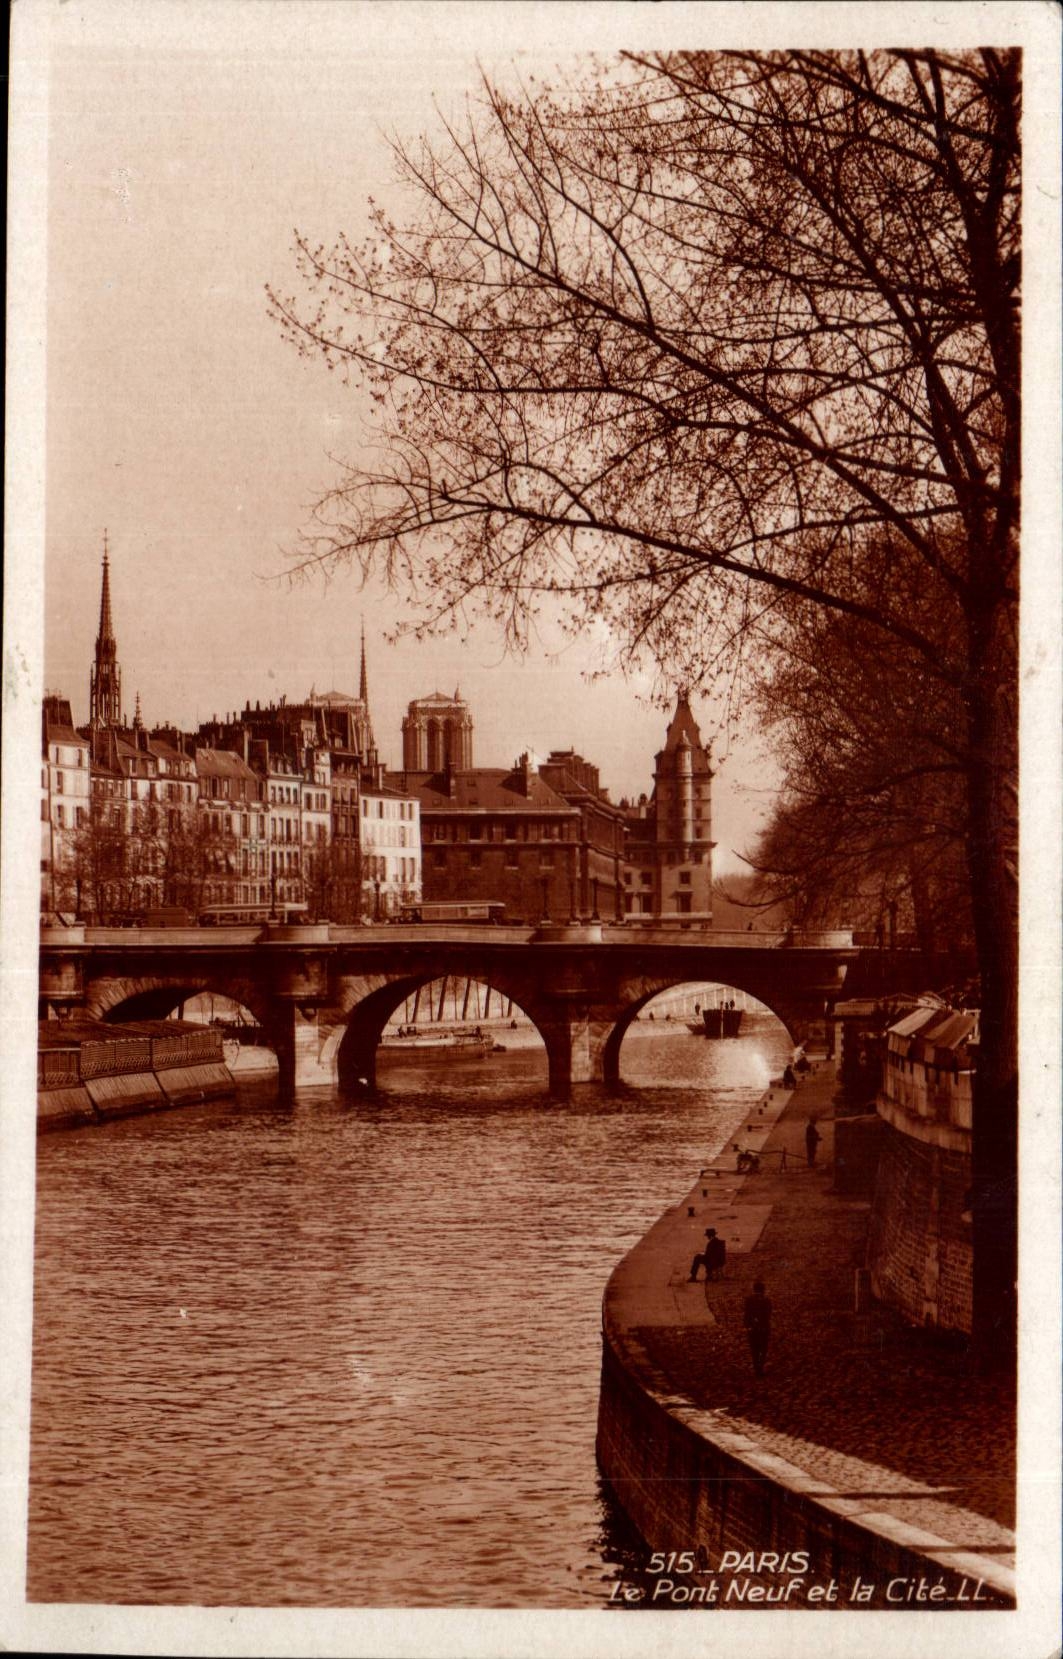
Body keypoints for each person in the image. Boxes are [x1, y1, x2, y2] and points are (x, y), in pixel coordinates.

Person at [743, 1281, 772, 1376]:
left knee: (754, 1348)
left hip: (753, 1328)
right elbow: (768, 1314)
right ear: (763, 1290)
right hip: (763, 1327)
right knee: (763, 1348)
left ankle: (756, 1366)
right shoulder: (767, 1300)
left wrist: (747, 1325)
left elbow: (746, 1314)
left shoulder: (749, 1300)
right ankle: (761, 1365)